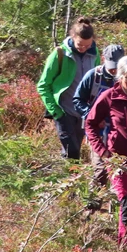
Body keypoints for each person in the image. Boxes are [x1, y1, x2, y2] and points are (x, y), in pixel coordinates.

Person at [85, 56, 127, 246]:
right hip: (119, 161)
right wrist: (103, 151)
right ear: (119, 76)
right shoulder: (110, 96)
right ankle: (125, 248)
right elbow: (90, 123)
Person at [36, 16, 99, 161]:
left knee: (74, 151)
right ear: (73, 37)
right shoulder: (59, 54)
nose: (84, 48)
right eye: (80, 45)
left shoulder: (94, 54)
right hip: (64, 112)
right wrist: (56, 112)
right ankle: (70, 181)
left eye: (87, 45)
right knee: (72, 152)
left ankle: (68, 179)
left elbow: (95, 81)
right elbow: (43, 85)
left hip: (83, 112)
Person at [72, 44, 125, 191]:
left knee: (119, 169)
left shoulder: (126, 79)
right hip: (97, 132)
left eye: (118, 66)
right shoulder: (93, 76)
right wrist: (92, 116)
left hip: (119, 133)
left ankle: (117, 206)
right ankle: (92, 207)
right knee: (100, 169)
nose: (114, 70)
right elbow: (77, 100)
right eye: (112, 66)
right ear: (104, 59)